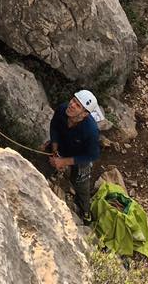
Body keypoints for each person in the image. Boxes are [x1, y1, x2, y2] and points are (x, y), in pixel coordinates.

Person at [44, 89, 104, 221]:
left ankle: (85, 211)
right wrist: (54, 147)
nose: (71, 105)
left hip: (80, 156)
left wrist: (64, 162)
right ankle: (44, 183)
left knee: (81, 184)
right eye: (73, 100)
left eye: (78, 105)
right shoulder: (63, 109)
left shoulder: (90, 131)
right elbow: (54, 126)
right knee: (45, 162)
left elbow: (92, 156)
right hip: (62, 146)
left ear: (84, 114)